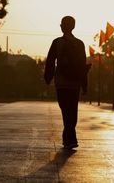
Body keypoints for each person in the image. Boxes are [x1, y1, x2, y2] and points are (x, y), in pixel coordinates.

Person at [44, 16, 90, 150]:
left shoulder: (57, 42)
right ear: (73, 27)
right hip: (75, 83)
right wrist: (84, 85)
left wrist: (48, 78)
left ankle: (69, 139)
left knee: (65, 111)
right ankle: (70, 138)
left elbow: (50, 61)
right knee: (72, 110)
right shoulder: (80, 44)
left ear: (62, 26)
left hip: (61, 83)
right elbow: (82, 66)